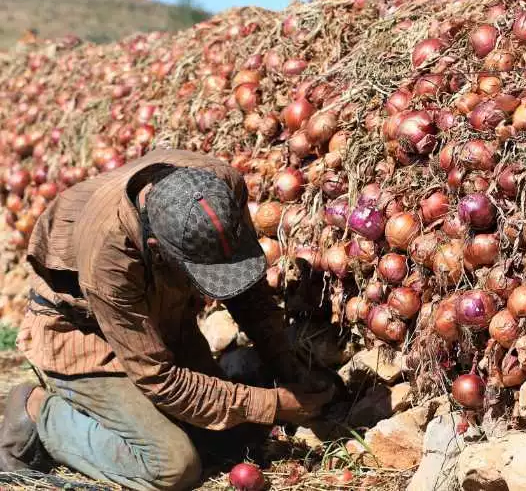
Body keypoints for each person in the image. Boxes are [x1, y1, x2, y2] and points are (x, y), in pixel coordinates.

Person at [0, 149, 335, 490]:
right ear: (155, 247)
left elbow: (249, 293)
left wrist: (287, 365)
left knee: (234, 439)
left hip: (160, 322)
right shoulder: (108, 260)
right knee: (173, 465)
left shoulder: (220, 188)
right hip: (84, 336)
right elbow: (160, 380)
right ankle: (41, 413)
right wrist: (275, 403)